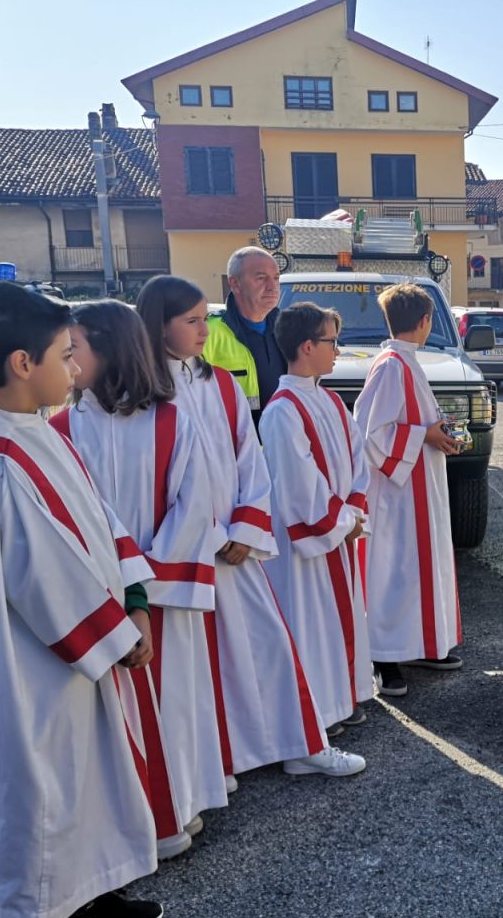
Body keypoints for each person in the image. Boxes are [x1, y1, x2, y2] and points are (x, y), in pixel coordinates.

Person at [0, 281, 163, 918]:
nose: (76, 368)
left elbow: (96, 519)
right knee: (43, 791)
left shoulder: (33, 428)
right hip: (32, 662)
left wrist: (137, 595)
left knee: (84, 779)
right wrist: (120, 636)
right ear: (21, 364)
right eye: (66, 355)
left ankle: (86, 897)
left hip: (75, 652)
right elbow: (43, 577)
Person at [137, 275, 365, 782]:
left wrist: (245, 524)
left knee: (267, 646)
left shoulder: (221, 384)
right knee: (195, 664)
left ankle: (300, 744)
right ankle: (212, 764)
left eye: (204, 318)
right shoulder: (143, 392)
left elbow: (250, 461)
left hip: (235, 546)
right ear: (159, 324)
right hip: (181, 551)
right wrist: (207, 535)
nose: (204, 330)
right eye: (192, 321)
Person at [51, 300, 227, 861]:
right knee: (113, 716)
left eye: (75, 347)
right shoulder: (59, 427)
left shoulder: (172, 419)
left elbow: (197, 502)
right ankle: (133, 822)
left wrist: (144, 587)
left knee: (172, 702)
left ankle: (178, 803)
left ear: (111, 348)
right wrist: (118, 592)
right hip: (102, 602)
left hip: (160, 597)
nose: (70, 359)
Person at [261, 302, 374, 737]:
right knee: (310, 626)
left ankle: (344, 697)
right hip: (306, 546)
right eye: (331, 342)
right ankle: (318, 712)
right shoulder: (282, 410)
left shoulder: (328, 399)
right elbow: (297, 486)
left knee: (337, 621)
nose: (337, 350)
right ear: (307, 346)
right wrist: (345, 520)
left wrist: (354, 511)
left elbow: (357, 459)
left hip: (339, 533)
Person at [354, 282, 464, 697]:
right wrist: (425, 435)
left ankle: (420, 645)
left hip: (420, 488)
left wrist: (439, 434)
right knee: (393, 573)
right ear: (425, 322)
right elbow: (372, 433)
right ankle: (384, 658)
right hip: (397, 497)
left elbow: (414, 423)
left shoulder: (406, 362)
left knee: (419, 571)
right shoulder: (389, 366)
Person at [204, 246, 287, 424]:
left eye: (276, 278)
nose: (272, 287)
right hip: (232, 446)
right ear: (235, 283)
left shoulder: (287, 327)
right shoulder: (208, 333)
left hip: (281, 443)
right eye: (261, 278)